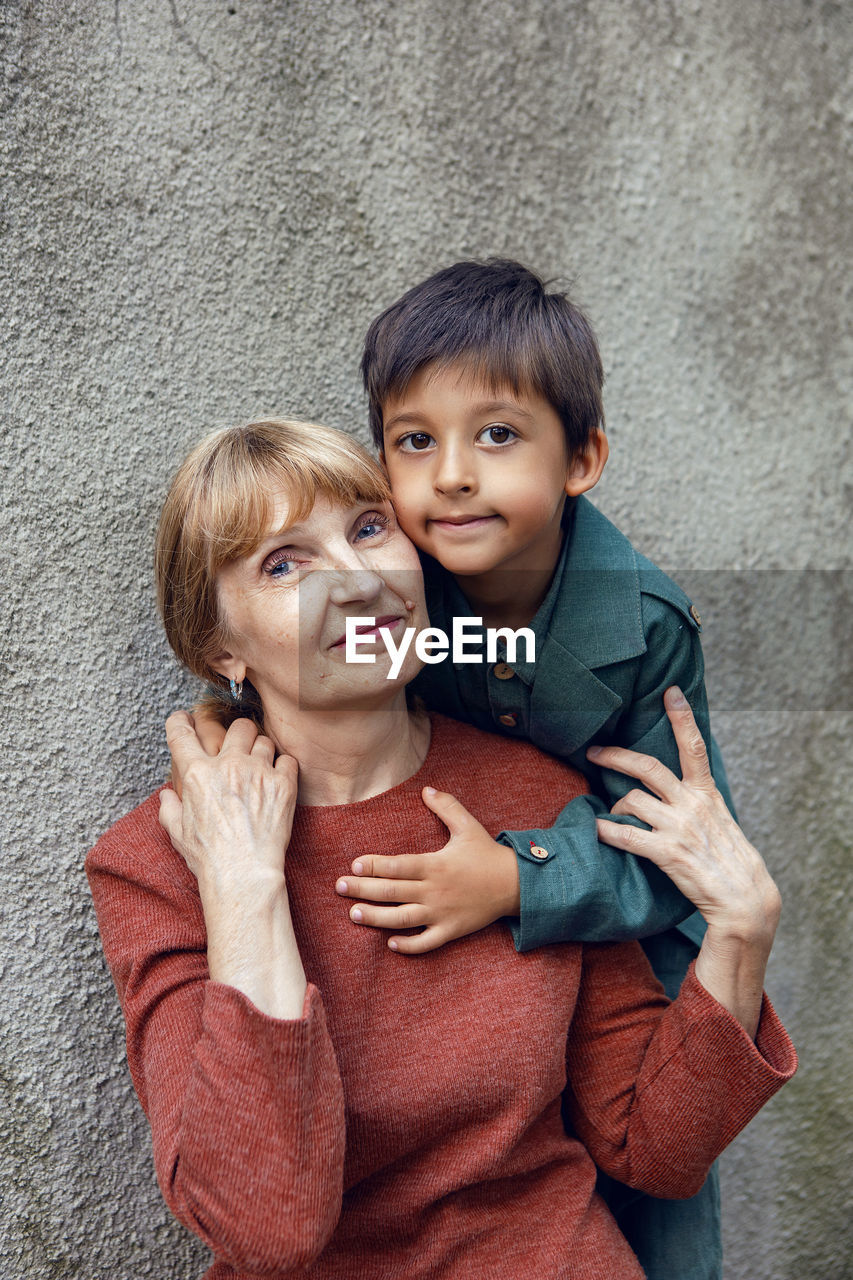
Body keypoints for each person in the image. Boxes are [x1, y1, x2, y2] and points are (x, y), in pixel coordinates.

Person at [87, 419, 795, 1280]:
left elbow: (653, 1148)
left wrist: (740, 933)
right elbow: (266, 1229)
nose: (356, 580)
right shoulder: (155, 861)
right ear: (219, 648)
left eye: (368, 529)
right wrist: (242, 884)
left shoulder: (537, 798)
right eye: (284, 562)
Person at [346, 258, 737, 1277]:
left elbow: (681, 855)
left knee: (656, 1197)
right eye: (414, 440)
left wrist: (519, 876)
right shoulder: (394, 584)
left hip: (618, 927)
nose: (453, 474)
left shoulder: (643, 624)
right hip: (453, 935)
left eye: (498, 435)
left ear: (582, 458)